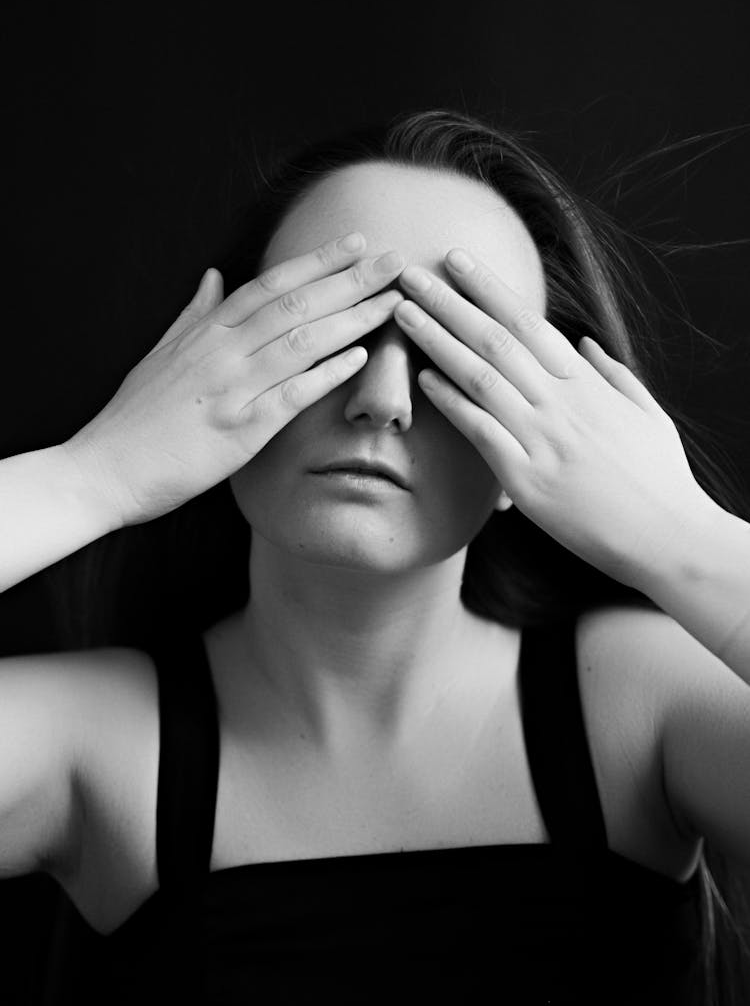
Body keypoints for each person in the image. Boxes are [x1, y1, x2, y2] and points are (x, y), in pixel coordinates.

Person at [1, 109, 749, 1005]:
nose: (383, 399)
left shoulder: (641, 705)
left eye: (459, 351)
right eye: (324, 330)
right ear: (207, 367)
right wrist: (96, 475)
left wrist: (682, 537)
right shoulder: (98, 743)